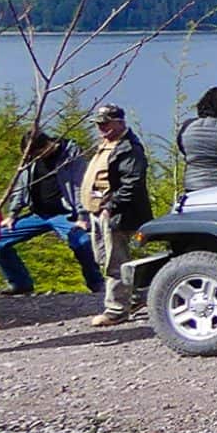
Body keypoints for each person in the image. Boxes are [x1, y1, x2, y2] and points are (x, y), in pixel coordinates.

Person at [0, 132, 99, 296]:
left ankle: (97, 284)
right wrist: (13, 214)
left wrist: (82, 217)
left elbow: (80, 187)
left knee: (82, 242)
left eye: (37, 153)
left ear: (47, 145)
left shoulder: (70, 156)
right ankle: (20, 284)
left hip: (66, 214)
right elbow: (21, 187)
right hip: (38, 214)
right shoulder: (31, 160)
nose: (35, 157)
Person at [79, 105, 150, 326]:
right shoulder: (107, 144)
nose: (102, 128)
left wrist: (112, 205)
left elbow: (132, 184)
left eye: (106, 123)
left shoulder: (129, 148)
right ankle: (136, 298)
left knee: (115, 262)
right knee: (105, 258)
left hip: (116, 215)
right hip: (98, 212)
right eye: (99, 124)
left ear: (119, 122)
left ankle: (116, 309)